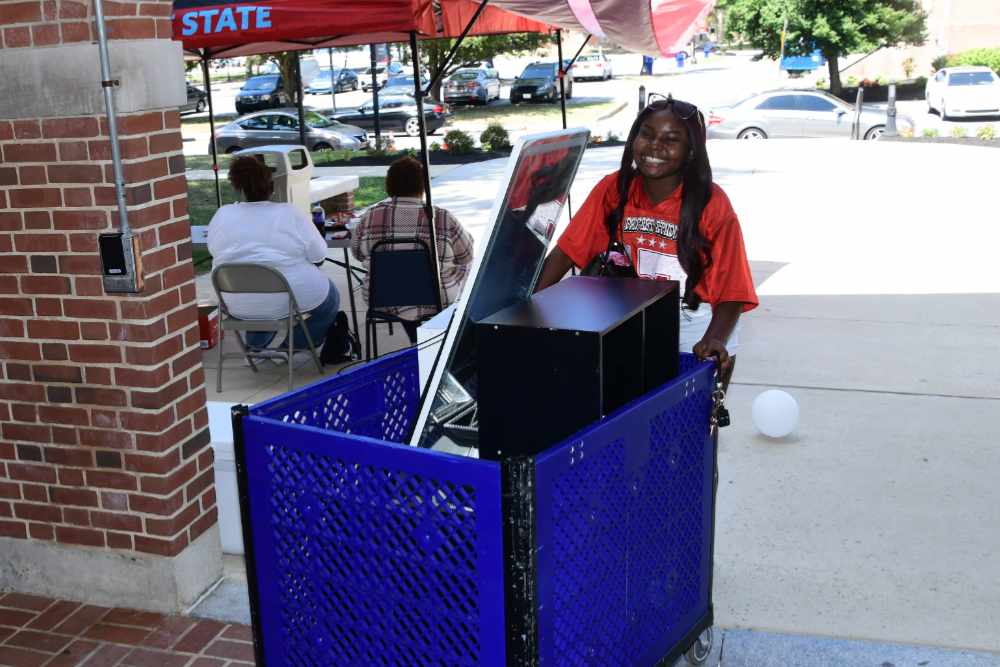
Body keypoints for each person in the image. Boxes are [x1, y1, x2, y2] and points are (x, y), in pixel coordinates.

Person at [535, 95, 758, 386]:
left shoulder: (711, 203)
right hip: (633, 318)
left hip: (696, 323)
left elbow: (732, 290)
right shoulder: (614, 189)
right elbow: (566, 252)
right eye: (647, 134)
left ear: (692, 150)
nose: (655, 146)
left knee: (687, 424)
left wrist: (714, 339)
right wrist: (530, 306)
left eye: (671, 139)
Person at [207, 155, 340, 353]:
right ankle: (294, 345)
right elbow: (318, 255)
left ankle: (255, 346)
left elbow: (213, 249)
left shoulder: (222, 214)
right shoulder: (289, 213)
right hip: (290, 295)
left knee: (259, 298)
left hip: (236, 299)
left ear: (237, 187)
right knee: (330, 299)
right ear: (271, 185)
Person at [351, 156, 474, 342]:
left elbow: (357, 252)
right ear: (423, 186)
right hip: (436, 298)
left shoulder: (370, 216)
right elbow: (467, 255)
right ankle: (435, 339)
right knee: (466, 267)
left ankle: (418, 337)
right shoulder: (441, 217)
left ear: (389, 185)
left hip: (383, 298)